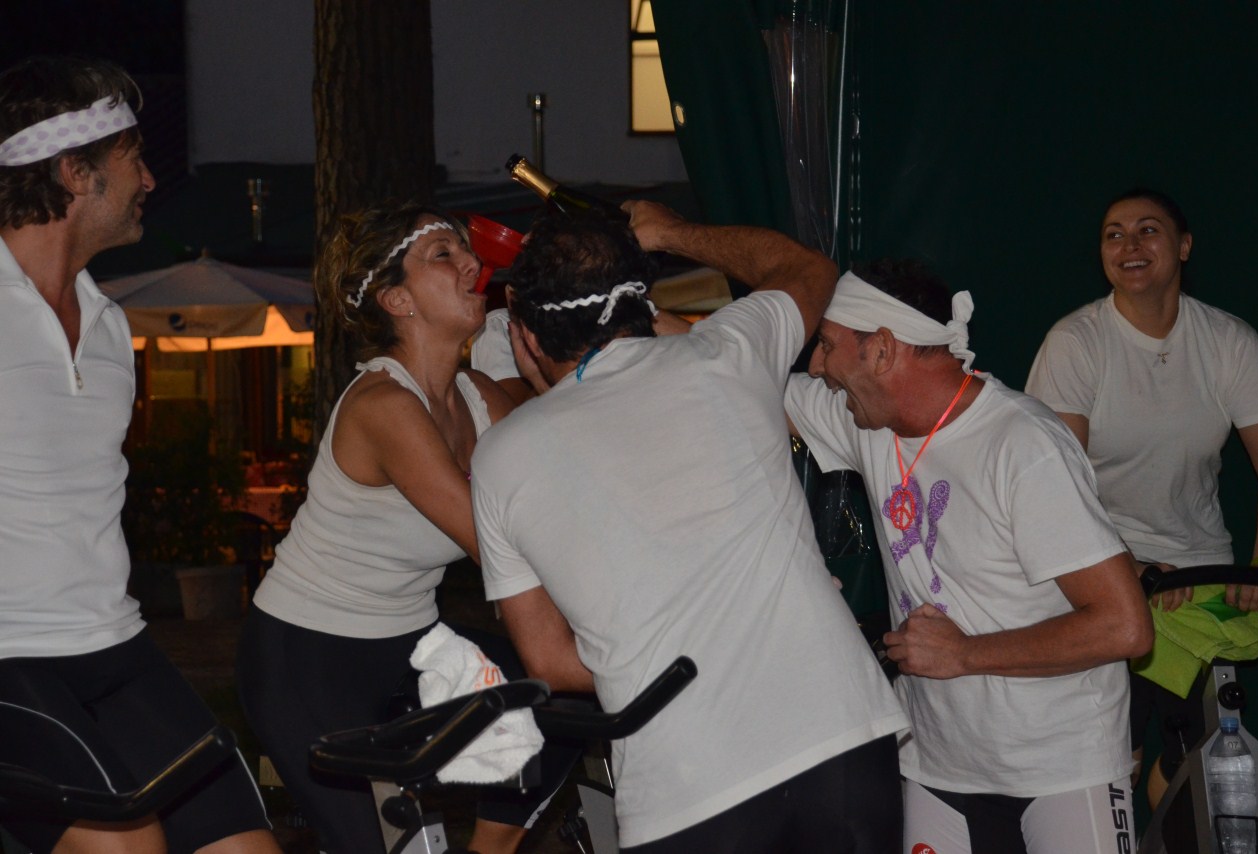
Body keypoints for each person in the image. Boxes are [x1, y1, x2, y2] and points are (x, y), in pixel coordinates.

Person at [470, 204, 909, 854]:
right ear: (642, 304)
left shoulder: (500, 457)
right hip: (839, 737)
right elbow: (808, 268)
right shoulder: (727, 351)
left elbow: (549, 661)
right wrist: (673, 232)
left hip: (685, 780)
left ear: (527, 336)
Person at [0, 56, 278, 854]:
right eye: (134, 159)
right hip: (9, 655)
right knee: (132, 845)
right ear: (73, 171)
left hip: (116, 645)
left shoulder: (112, 325)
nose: (151, 180)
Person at [782, 259, 1154, 854]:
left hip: (1062, 769)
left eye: (827, 345)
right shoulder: (867, 424)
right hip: (937, 768)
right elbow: (730, 370)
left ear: (882, 349)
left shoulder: (1022, 445)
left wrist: (964, 653)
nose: (816, 367)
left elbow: (1124, 626)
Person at [236, 201, 573, 854]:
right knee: (382, 846)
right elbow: (497, 541)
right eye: (444, 254)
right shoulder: (384, 406)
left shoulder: (478, 395)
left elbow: (562, 492)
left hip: (412, 645)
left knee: (565, 694)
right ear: (397, 300)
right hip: (306, 658)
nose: (472, 263)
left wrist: (553, 376)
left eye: (466, 250)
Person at [1026, 187, 1258, 800]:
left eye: (1148, 230)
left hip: (1198, 577)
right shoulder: (1076, 342)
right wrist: (1130, 567)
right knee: (1112, 760)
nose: (1130, 245)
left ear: (1184, 246)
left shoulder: (1229, 341)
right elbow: (1057, 485)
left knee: (1202, 759)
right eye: (1113, 234)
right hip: (1100, 573)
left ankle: (1170, 821)